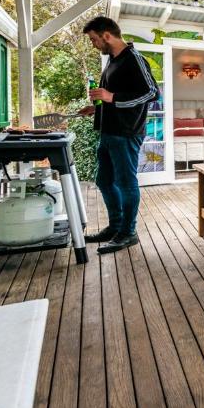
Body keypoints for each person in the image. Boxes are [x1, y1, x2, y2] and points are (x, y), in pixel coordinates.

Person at [77, 16, 158, 254]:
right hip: (109, 131)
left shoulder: (134, 59)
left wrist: (112, 98)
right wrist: (97, 107)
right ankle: (115, 226)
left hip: (126, 132)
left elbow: (152, 92)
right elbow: (115, 95)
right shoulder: (112, 61)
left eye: (94, 39)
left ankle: (128, 232)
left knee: (125, 182)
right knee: (104, 180)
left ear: (107, 35)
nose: (93, 44)